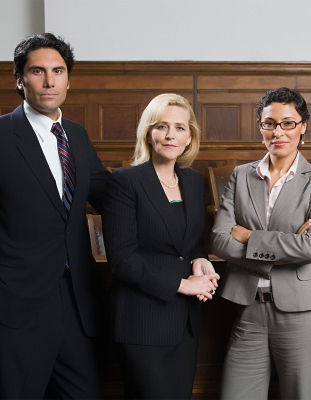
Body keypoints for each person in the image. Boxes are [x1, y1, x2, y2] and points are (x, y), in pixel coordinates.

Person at [0, 33, 110, 398]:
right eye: (38, 71)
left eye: (58, 71)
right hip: (13, 306)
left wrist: (167, 179)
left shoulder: (78, 137)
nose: (49, 81)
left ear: (69, 79)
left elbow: (110, 197)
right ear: (20, 80)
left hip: (77, 303)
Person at [211, 87, 311, 400]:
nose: (278, 132)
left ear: (303, 126)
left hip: (302, 312)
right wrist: (283, 249)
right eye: (269, 123)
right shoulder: (240, 175)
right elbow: (219, 239)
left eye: (288, 123)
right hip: (248, 309)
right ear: (261, 126)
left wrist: (248, 235)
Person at [102, 93, 219, 399]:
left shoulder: (193, 181)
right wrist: (184, 284)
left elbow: (191, 242)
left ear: (190, 136)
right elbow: (122, 259)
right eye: (162, 126)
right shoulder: (125, 182)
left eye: (180, 128)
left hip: (184, 323)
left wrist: (200, 260)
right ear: (148, 133)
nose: (171, 135)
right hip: (142, 321)